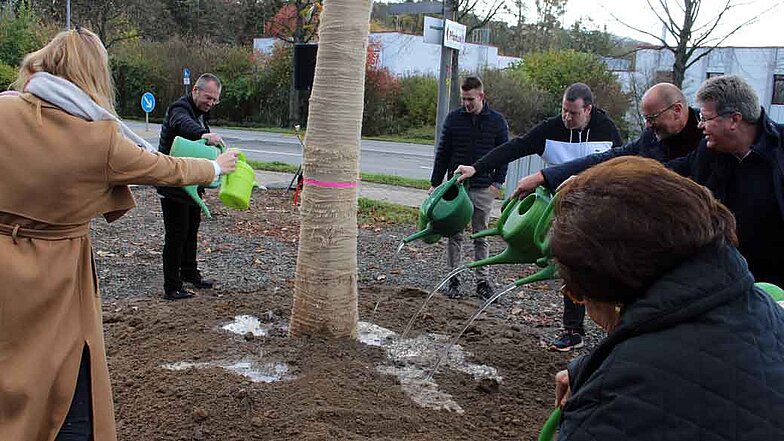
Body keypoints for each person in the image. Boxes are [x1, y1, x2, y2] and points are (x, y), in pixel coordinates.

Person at [0, 28, 238, 440]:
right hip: (55, 272)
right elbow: (166, 168)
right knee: (68, 376)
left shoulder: (3, 110)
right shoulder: (100, 137)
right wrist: (217, 168)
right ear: (95, 73)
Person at [549, 156, 784, 440]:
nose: (577, 300)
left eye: (575, 292)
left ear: (609, 285)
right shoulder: (761, 310)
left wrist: (600, 392)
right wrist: (592, 372)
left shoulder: (610, 410)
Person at [456, 82, 624, 351]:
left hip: (599, 209)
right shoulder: (551, 129)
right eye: (564, 111)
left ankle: (618, 329)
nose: (567, 117)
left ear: (588, 109)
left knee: (605, 268)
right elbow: (514, 148)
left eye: (573, 113)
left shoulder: (607, 131)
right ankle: (572, 330)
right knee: (568, 261)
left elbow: (621, 165)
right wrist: (476, 168)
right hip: (562, 208)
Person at [666, 75, 784, 287]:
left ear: (734, 120)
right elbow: (673, 171)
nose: (700, 125)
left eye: (705, 117)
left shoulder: (780, 152)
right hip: (728, 280)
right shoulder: (709, 151)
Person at [511, 82, 703, 196]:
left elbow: (657, 176)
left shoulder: (706, 142)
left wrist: (589, 180)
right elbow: (611, 157)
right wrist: (544, 176)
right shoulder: (653, 136)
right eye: (645, 118)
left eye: (652, 118)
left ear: (677, 110)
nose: (647, 125)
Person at [430, 75, 509, 300]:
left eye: (471, 99)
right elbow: (443, 152)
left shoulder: (496, 121)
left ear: (481, 96)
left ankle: (482, 280)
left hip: (484, 187)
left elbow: (504, 154)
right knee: (455, 233)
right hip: (457, 186)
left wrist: (497, 183)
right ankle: (453, 277)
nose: (466, 103)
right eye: (464, 99)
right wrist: (436, 183)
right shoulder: (454, 119)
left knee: (480, 235)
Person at [156, 73, 224, 300]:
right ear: (195, 90)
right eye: (208, 98)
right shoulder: (180, 108)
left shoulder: (201, 113)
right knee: (176, 234)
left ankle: (189, 273)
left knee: (191, 229)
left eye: (215, 100)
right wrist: (203, 134)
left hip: (192, 181)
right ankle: (172, 286)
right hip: (173, 181)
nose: (211, 103)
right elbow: (181, 124)